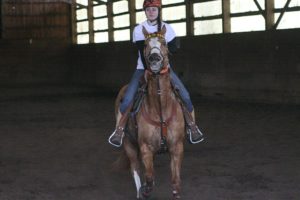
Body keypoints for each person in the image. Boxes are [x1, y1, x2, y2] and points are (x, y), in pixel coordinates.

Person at [108, 0, 204, 147]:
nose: (151, 12)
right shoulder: (139, 29)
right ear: (145, 12)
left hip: (165, 69)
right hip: (142, 68)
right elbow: (141, 52)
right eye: (148, 10)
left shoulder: (168, 28)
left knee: (185, 95)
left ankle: (193, 127)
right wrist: (148, 70)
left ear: (159, 11)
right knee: (127, 98)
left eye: (154, 9)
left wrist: (166, 51)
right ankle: (119, 131)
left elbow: (173, 48)